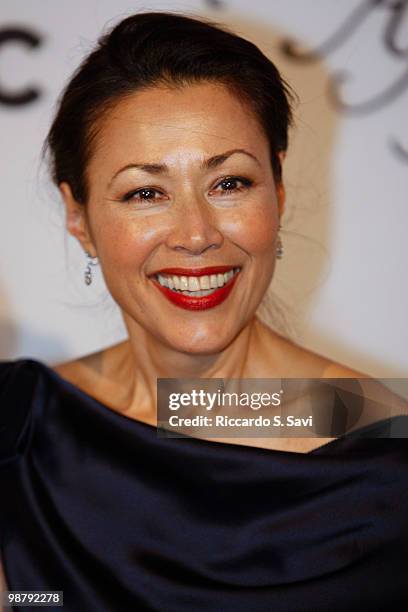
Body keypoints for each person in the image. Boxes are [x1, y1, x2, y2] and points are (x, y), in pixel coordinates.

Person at [0, 11, 407, 612]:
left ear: (278, 191)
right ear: (79, 217)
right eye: (145, 192)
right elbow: (37, 601)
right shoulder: (19, 427)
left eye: (230, 184)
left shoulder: (383, 451)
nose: (195, 234)